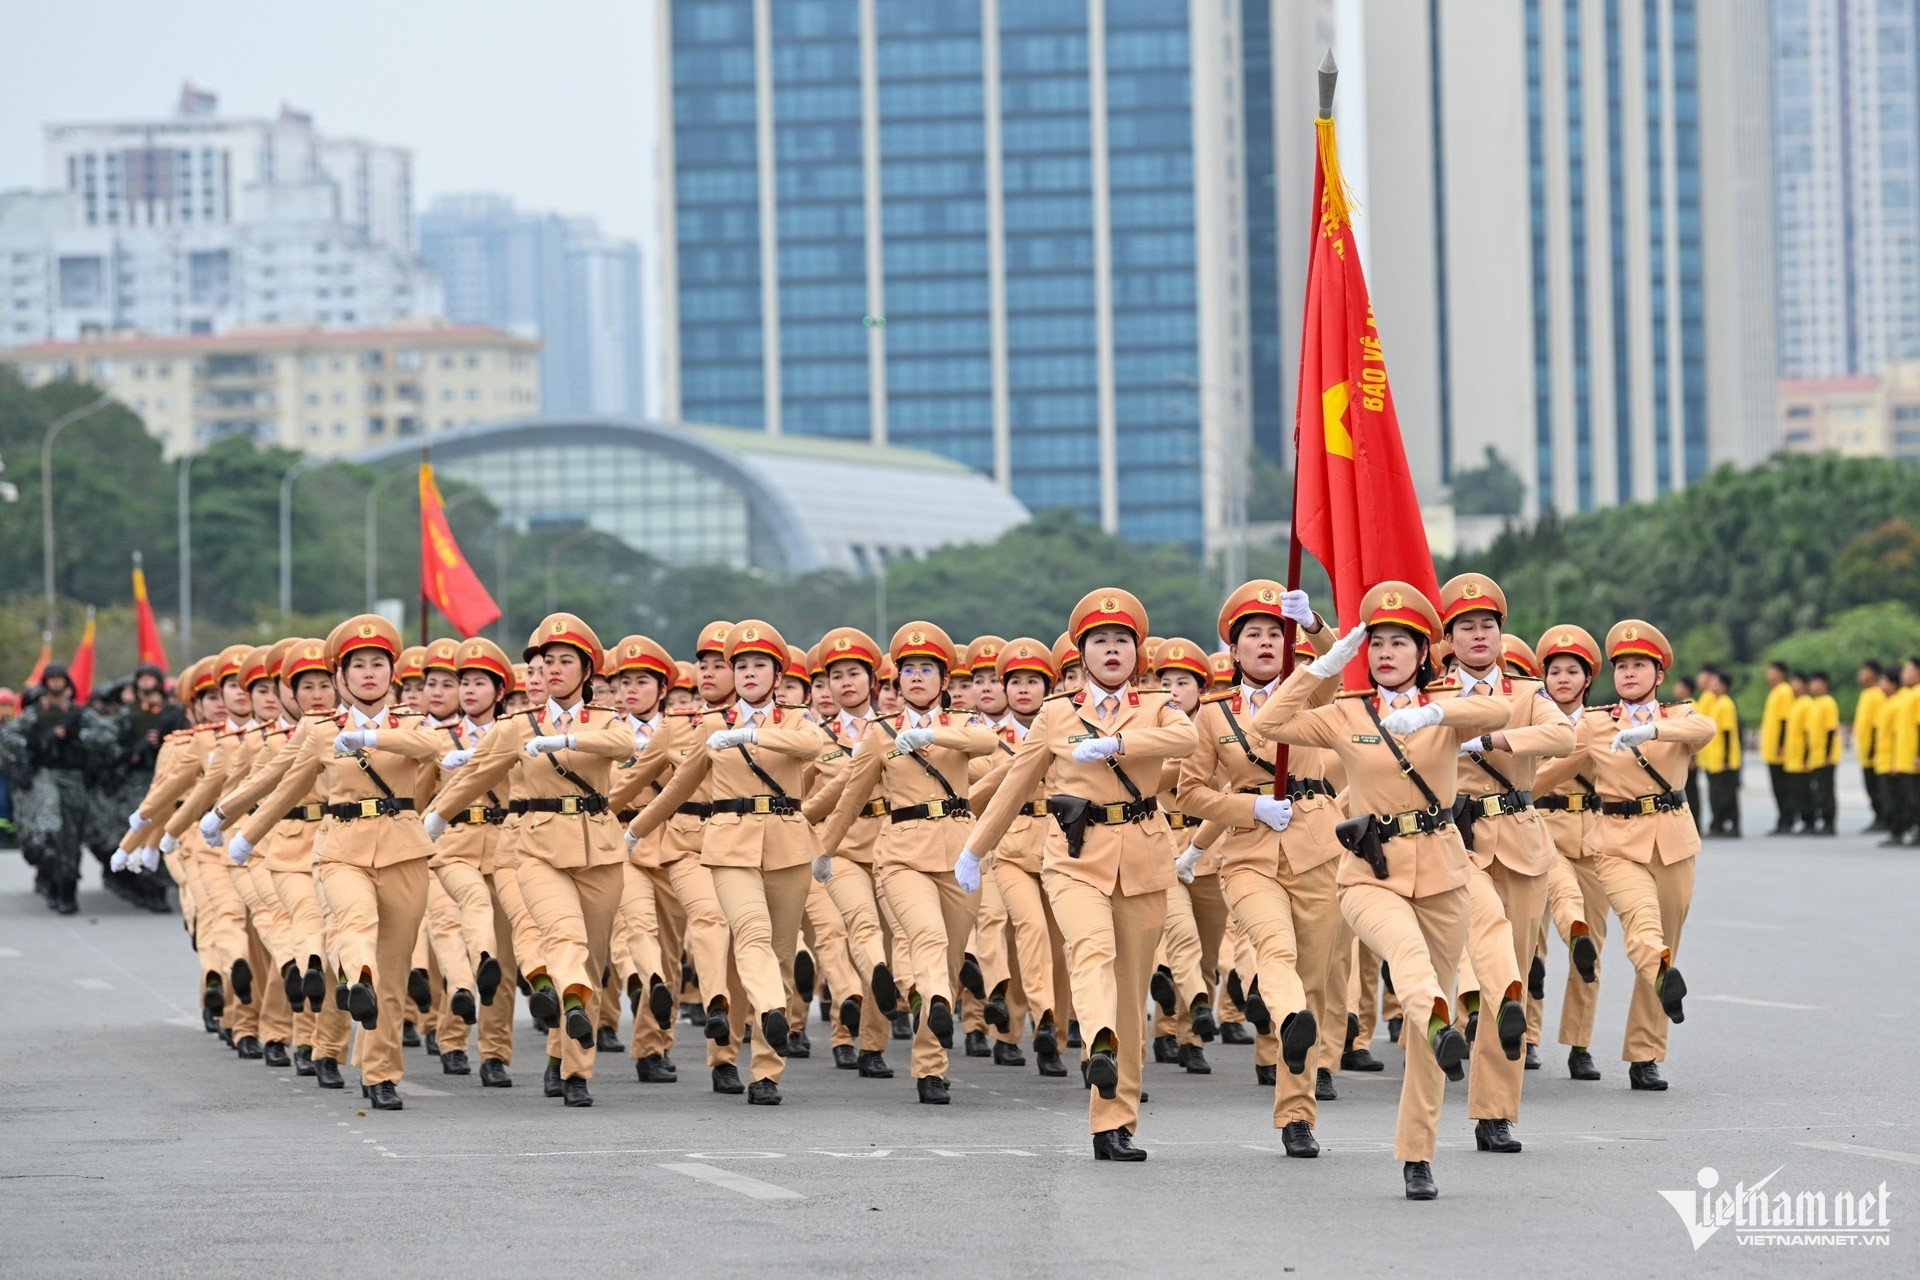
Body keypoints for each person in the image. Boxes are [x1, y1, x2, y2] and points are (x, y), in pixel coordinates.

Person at [1248, 581, 1510, 1200]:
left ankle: (1418, 1153)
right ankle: (1434, 1017)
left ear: (1424, 652)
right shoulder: (1346, 712)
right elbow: (1269, 721)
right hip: (1371, 873)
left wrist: (1438, 712)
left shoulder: (1446, 706)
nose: (1387, 652)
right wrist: (1325, 661)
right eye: (1377, 642)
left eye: (1401, 642)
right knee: (1410, 963)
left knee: (1430, 1020)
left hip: (1445, 870)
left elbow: (1500, 712)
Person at [963, 589, 1198, 1163]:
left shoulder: (1158, 705)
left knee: (1132, 990)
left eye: (1122, 641)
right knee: (1090, 953)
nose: (1111, 650)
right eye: (1100, 641)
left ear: (1137, 653)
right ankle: (1097, 1042)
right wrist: (975, 849)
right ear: (1082, 653)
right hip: (1073, 857)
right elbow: (1016, 783)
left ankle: (1115, 1123)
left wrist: (1120, 743)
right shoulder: (1054, 713)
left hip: (1142, 858)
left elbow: (1187, 739)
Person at [225, 616, 447, 1110]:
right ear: (341, 678)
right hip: (341, 848)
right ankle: (352, 988)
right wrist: (242, 832)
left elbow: (433, 747)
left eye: (378, 665)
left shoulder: (411, 722)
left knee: (390, 970)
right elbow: (284, 786)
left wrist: (371, 740)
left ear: (392, 674)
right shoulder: (320, 729)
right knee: (354, 925)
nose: (369, 674)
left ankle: (379, 1073)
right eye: (357, 666)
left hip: (404, 850)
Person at [425, 614, 636, 1108]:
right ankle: (574, 1069)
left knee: (595, 959)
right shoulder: (518, 725)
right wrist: (436, 816)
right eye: (546, 661)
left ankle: (566, 1062)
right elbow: (477, 774)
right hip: (535, 848)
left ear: (586, 670)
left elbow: (623, 746)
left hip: (599, 848)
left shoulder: (604, 720)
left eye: (566, 661)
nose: (554, 669)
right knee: (564, 938)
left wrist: (565, 741)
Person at [1176, 581, 1347, 1156]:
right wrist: (1247, 805)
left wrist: (1318, 624)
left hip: (1317, 846)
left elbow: (1344, 676)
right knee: (1277, 953)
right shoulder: (1212, 715)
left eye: (1277, 632)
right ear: (1234, 649)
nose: (1267, 642)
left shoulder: (1312, 695)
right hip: (1250, 851)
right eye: (1255, 634)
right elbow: (1190, 792)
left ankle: (1300, 1090)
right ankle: (1294, 1110)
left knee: (1316, 979)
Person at [630, 619, 828, 1106]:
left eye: (760, 665)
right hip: (730, 845)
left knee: (776, 956)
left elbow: (811, 748)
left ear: (778, 676)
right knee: (753, 937)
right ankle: (762, 1021)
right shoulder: (711, 726)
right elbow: (678, 786)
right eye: (741, 666)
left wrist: (752, 737)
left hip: (787, 843)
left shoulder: (795, 722)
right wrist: (634, 829)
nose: (749, 673)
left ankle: (765, 1072)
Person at [817, 623, 997, 1103]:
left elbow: (989, 747)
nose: (917, 678)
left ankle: (930, 1038)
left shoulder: (963, 724)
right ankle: (933, 1056)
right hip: (900, 854)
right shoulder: (880, 734)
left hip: (958, 854)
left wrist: (932, 735)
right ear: (896, 683)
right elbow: (850, 797)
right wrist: (823, 850)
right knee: (927, 939)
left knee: (952, 958)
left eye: (928, 670)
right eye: (909, 671)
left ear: (943, 679)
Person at [1532, 620, 1714, 1091]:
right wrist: (1489, 803)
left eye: (1640, 665)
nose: (1630, 673)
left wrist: (1652, 729)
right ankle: (1660, 973)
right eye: (1623, 666)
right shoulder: (1596, 723)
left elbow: (1706, 728)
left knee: (1666, 938)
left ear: (1659, 675)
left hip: (1674, 841)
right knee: (1642, 925)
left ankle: (1644, 1054)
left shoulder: (1680, 717)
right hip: (1615, 840)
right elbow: (1552, 771)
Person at [967, 637, 1073, 1077]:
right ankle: (1037, 1021)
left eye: (1034, 681)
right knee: (1028, 929)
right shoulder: (985, 739)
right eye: (1016, 682)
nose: (1024, 690)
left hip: (1061, 845)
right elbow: (972, 792)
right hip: (1009, 848)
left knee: (1061, 947)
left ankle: (1048, 1039)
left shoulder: (1068, 728)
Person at [1530, 626, 1607, 1081]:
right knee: (1530, 940)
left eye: (1572, 671)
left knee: (1589, 942)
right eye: (1555, 670)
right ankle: (1528, 1035)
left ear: (1586, 679)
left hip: (1593, 834)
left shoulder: (1604, 723)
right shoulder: (1533, 718)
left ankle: (1580, 1043)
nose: (1562, 678)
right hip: (1540, 826)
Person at [1695, 667, 1742, 838]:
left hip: (1724, 759)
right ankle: (1719, 824)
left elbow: (1728, 733)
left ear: (1722, 685)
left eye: (1714, 681)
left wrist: (1727, 758)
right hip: (1714, 758)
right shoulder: (1715, 702)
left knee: (1728, 794)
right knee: (1717, 794)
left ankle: (1734, 826)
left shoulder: (1725, 704)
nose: (1711, 684)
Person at [1760, 661, 1796, 834]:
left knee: (1784, 787)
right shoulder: (1775, 692)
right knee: (1778, 787)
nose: (1769, 674)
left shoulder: (1784, 691)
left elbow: (1784, 720)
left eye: (1772, 671)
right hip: (1772, 750)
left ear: (1781, 673)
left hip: (1779, 751)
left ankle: (1787, 820)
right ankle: (1782, 819)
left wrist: (1781, 744)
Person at [1855, 662, 1889, 833]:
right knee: (1871, 788)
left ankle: (1884, 818)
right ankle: (1878, 817)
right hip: (1866, 752)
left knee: (1877, 788)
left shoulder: (1876, 695)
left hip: (1874, 753)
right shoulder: (1866, 694)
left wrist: (1873, 749)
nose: (1861, 674)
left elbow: (1877, 724)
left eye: (1865, 671)